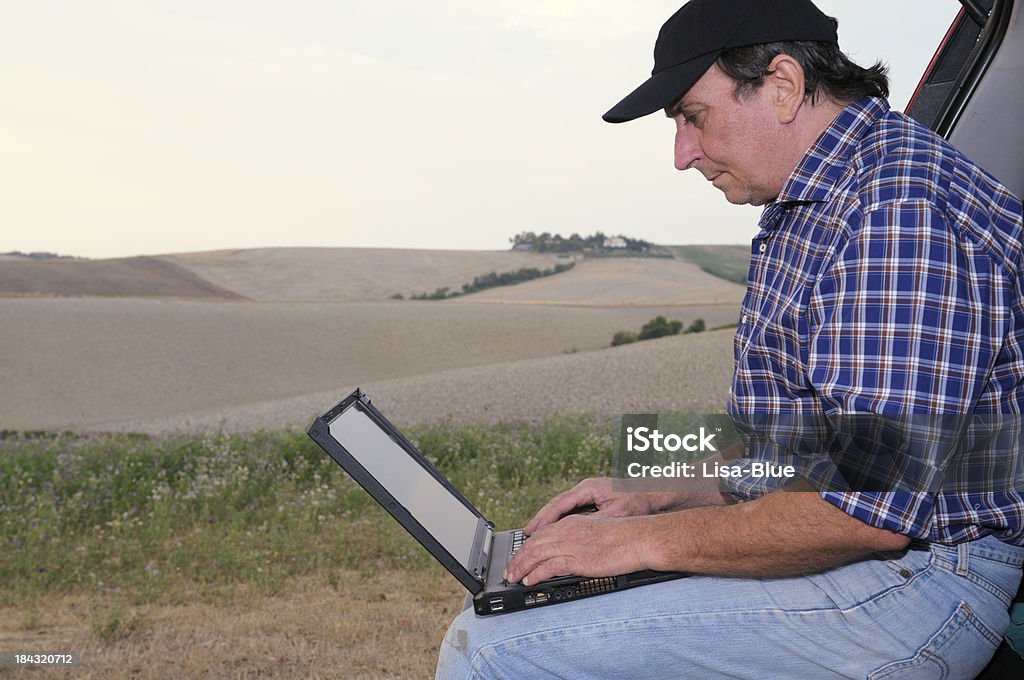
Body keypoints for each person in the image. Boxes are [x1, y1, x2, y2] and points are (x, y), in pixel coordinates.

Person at [435, 0, 1024, 677]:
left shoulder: (896, 211)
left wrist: (636, 543)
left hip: (924, 581)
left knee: (495, 650)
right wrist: (656, 494)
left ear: (782, 86)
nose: (683, 155)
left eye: (693, 117)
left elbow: (868, 510)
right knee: (516, 611)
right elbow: (805, 447)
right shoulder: (819, 200)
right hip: (883, 555)